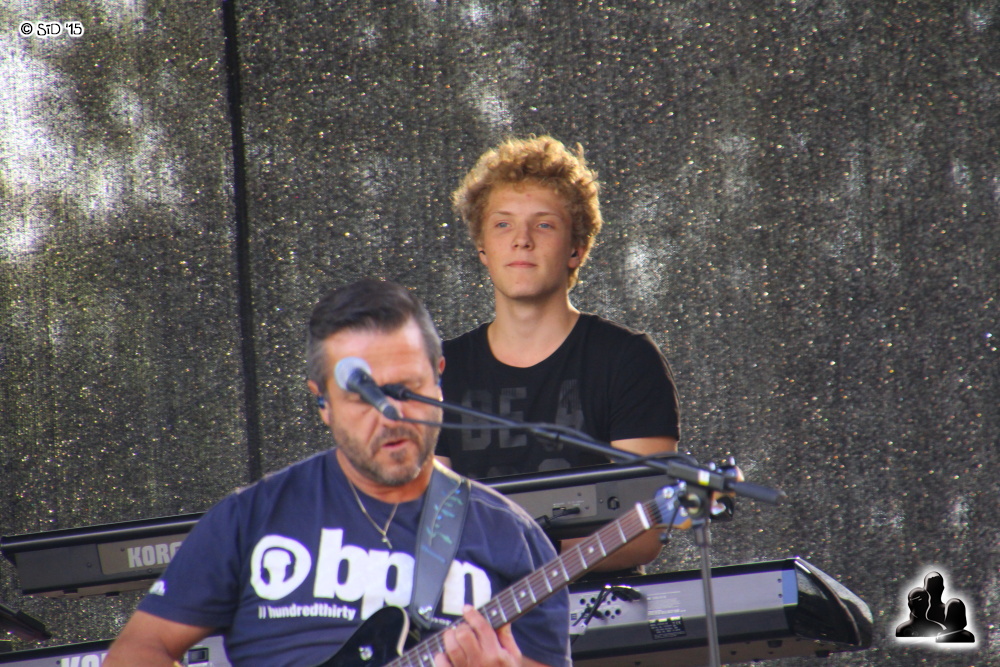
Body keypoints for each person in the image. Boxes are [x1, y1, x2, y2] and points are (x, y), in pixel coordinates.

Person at [104, 279, 570, 667]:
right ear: (323, 403)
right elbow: (137, 652)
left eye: (406, 389)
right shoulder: (251, 519)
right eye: (361, 397)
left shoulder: (512, 538)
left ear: (439, 378)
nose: (389, 416)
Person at [437, 135, 680, 573]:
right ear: (483, 250)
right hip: (474, 609)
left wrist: (523, 557)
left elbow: (646, 532)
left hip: (595, 606)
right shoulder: (439, 371)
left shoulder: (626, 360)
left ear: (576, 249)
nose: (522, 240)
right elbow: (426, 525)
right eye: (503, 224)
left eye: (544, 225)